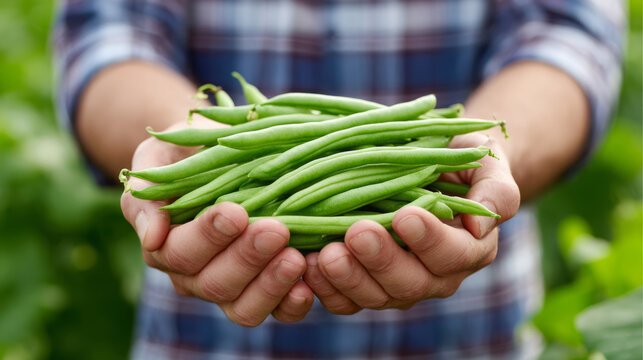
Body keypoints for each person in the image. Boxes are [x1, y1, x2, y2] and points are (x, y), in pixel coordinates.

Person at [54, 1, 624, 358]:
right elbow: (106, 32)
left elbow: (566, 32)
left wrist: (495, 149)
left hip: (468, 336)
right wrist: (185, 143)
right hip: (204, 336)